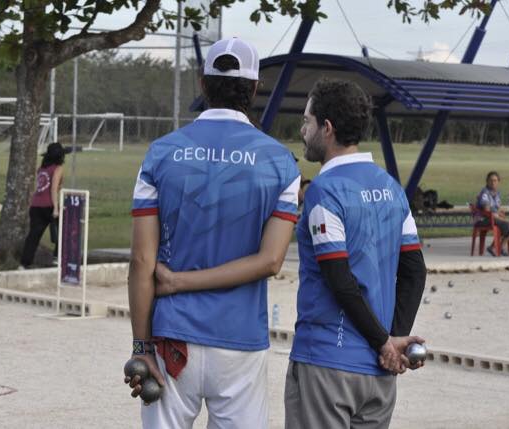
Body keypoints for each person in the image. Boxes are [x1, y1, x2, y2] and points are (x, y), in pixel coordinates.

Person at [125, 38, 300, 429]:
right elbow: (271, 261)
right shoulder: (281, 162)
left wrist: (142, 348)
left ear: (203, 84)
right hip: (239, 341)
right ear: (254, 89)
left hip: (172, 339)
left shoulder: (160, 153)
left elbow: (141, 261)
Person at [284, 78, 426, 428]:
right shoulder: (391, 187)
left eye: (307, 121)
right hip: (378, 373)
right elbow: (415, 271)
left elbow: (340, 280)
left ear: (327, 128)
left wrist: (385, 344)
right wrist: (393, 339)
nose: (303, 130)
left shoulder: (324, 191)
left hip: (327, 363)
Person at [19, 142, 65, 268]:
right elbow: (53, 189)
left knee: (33, 236)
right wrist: (56, 208)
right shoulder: (58, 168)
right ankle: (57, 258)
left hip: (35, 206)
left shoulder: (41, 168)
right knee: (64, 231)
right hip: (49, 205)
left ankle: (24, 263)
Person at [476, 171, 509, 256]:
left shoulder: (497, 193)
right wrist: (502, 218)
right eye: (491, 180)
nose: (493, 182)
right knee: (506, 224)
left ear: (498, 182)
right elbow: (487, 211)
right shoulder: (485, 193)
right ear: (487, 181)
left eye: (495, 180)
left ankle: (500, 246)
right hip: (484, 219)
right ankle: (495, 247)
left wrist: (500, 212)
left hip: (494, 217)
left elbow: (496, 208)